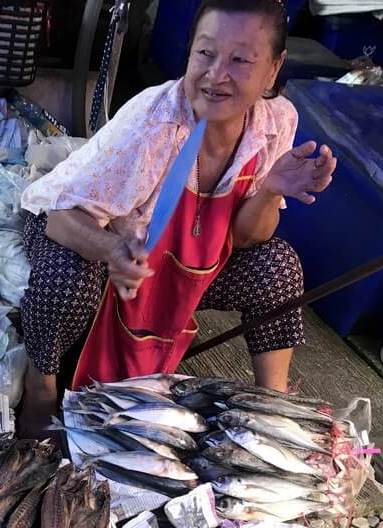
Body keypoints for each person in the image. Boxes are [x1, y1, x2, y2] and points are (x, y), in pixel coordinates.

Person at [17, 0, 337, 437]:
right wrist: (114, 250)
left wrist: (270, 190)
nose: (216, 75)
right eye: (205, 53)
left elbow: (246, 238)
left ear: (273, 68)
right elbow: (60, 219)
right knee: (67, 279)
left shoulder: (277, 122)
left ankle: (274, 408)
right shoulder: (155, 124)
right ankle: (42, 388)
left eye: (241, 60)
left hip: (181, 262)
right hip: (84, 229)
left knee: (277, 267)